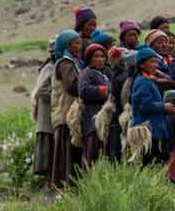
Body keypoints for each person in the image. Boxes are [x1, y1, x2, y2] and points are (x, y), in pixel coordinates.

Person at [130, 47, 175, 166]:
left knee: (155, 162)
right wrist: (164, 107)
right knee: (150, 163)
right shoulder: (142, 82)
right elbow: (144, 105)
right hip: (147, 131)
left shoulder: (147, 80)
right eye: (152, 61)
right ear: (142, 65)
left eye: (157, 62)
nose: (156, 65)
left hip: (154, 129)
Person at [49, 30, 84, 188]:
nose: (80, 46)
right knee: (67, 155)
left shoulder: (75, 62)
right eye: (76, 43)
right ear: (67, 46)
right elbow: (72, 87)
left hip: (71, 116)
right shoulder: (65, 64)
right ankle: (66, 188)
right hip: (66, 115)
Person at [79, 44, 114, 167]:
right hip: (92, 116)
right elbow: (83, 91)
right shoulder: (86, 73)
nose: (100, 59)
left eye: (102, 56)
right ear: (89, 58)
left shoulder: (104, 73)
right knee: (92, 148)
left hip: (104, 117)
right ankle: (89, 179)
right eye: (96, 56)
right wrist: (102, 91)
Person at [30, 38, 56, 182]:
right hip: (46, 115)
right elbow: (41, 90)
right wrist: (57, 94)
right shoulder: (49, 68)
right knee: (48, 148)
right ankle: (48, 181)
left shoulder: (53, 66)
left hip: (50, 114)